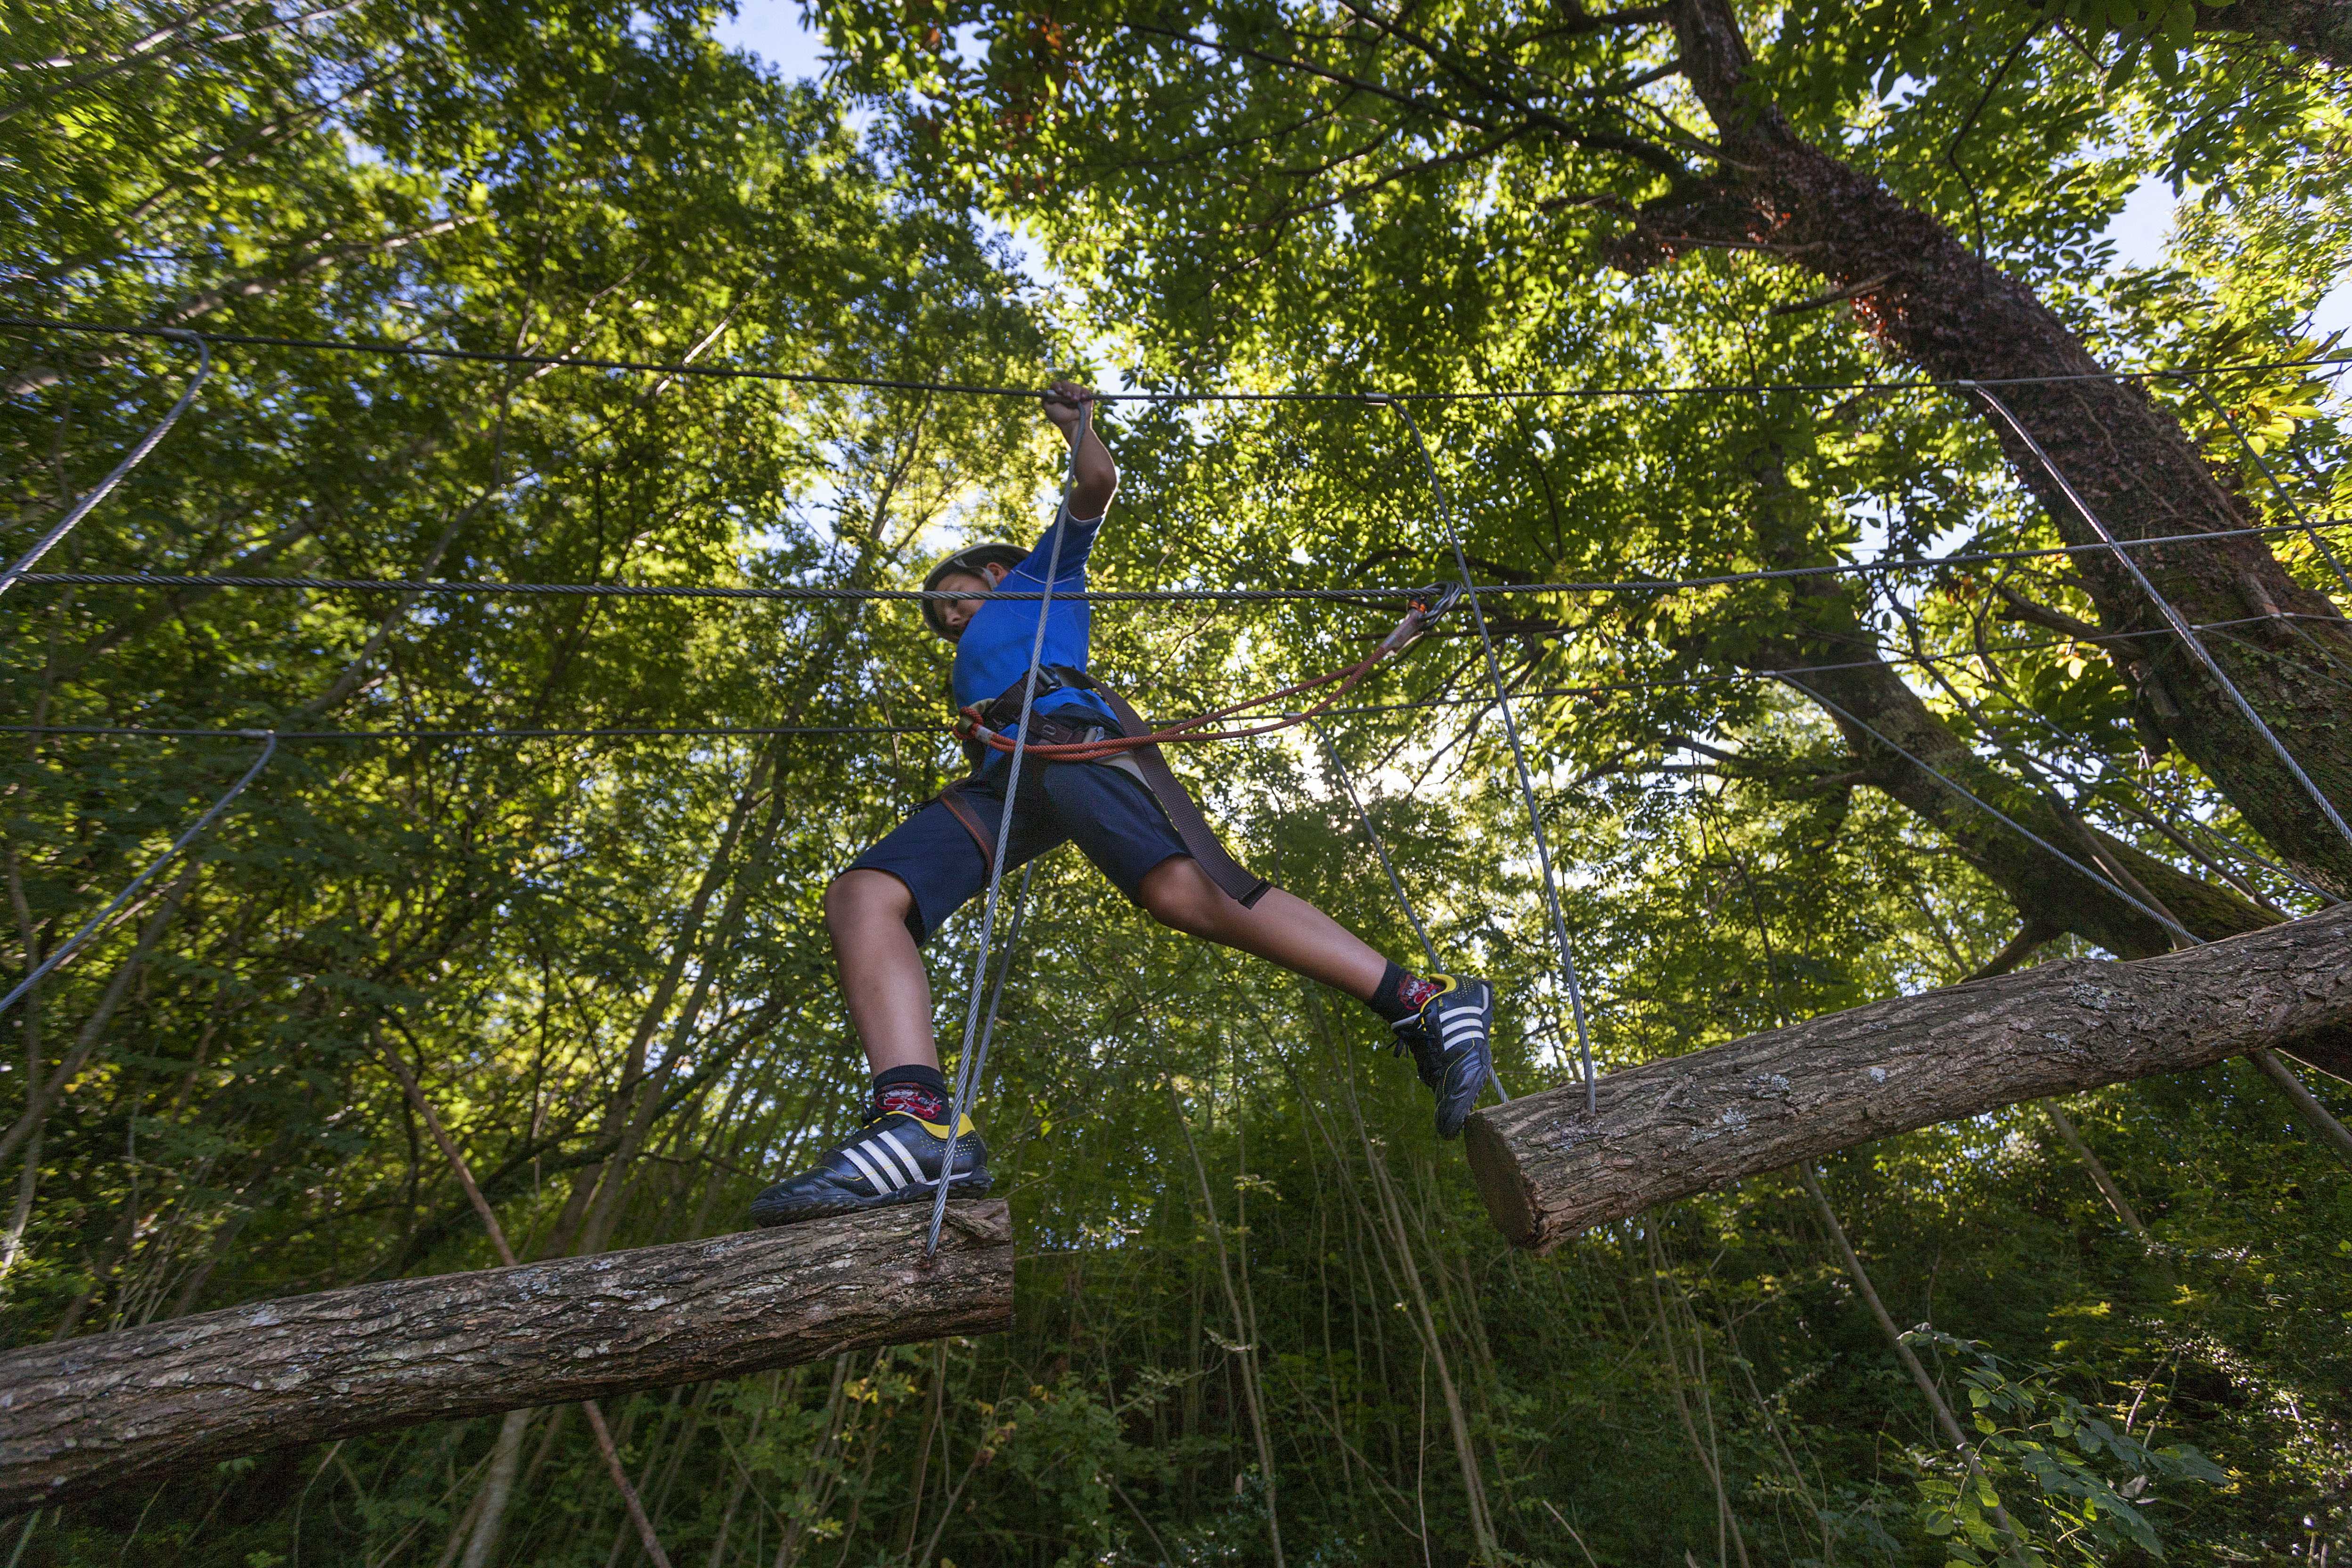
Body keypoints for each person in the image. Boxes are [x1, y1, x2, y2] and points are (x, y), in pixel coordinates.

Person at [749, 382, 1496, 1225]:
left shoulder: (1038, 578)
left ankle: (1421, 999)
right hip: (1006, 773)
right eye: (943, 622)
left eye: (955, 600)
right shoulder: (978, 651)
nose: (951, 622)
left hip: (1069, 734)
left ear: (995, 573)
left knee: (1184, 892)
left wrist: (1080, 430)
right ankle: (918, 1123)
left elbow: (1094, 489)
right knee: (864, 896)